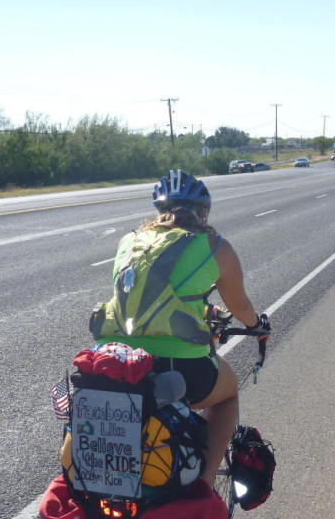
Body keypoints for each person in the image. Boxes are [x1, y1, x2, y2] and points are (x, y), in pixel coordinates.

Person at [89, 169, 269, 485]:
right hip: (180, 367)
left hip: (114, 361)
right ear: (203, 212)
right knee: (228, 395)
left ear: (159, 210)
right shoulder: (215, 246)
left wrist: (204, 308)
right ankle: (205, 483)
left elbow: (146, 298)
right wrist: (258, 326)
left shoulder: (128, 241)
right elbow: (240, 306)